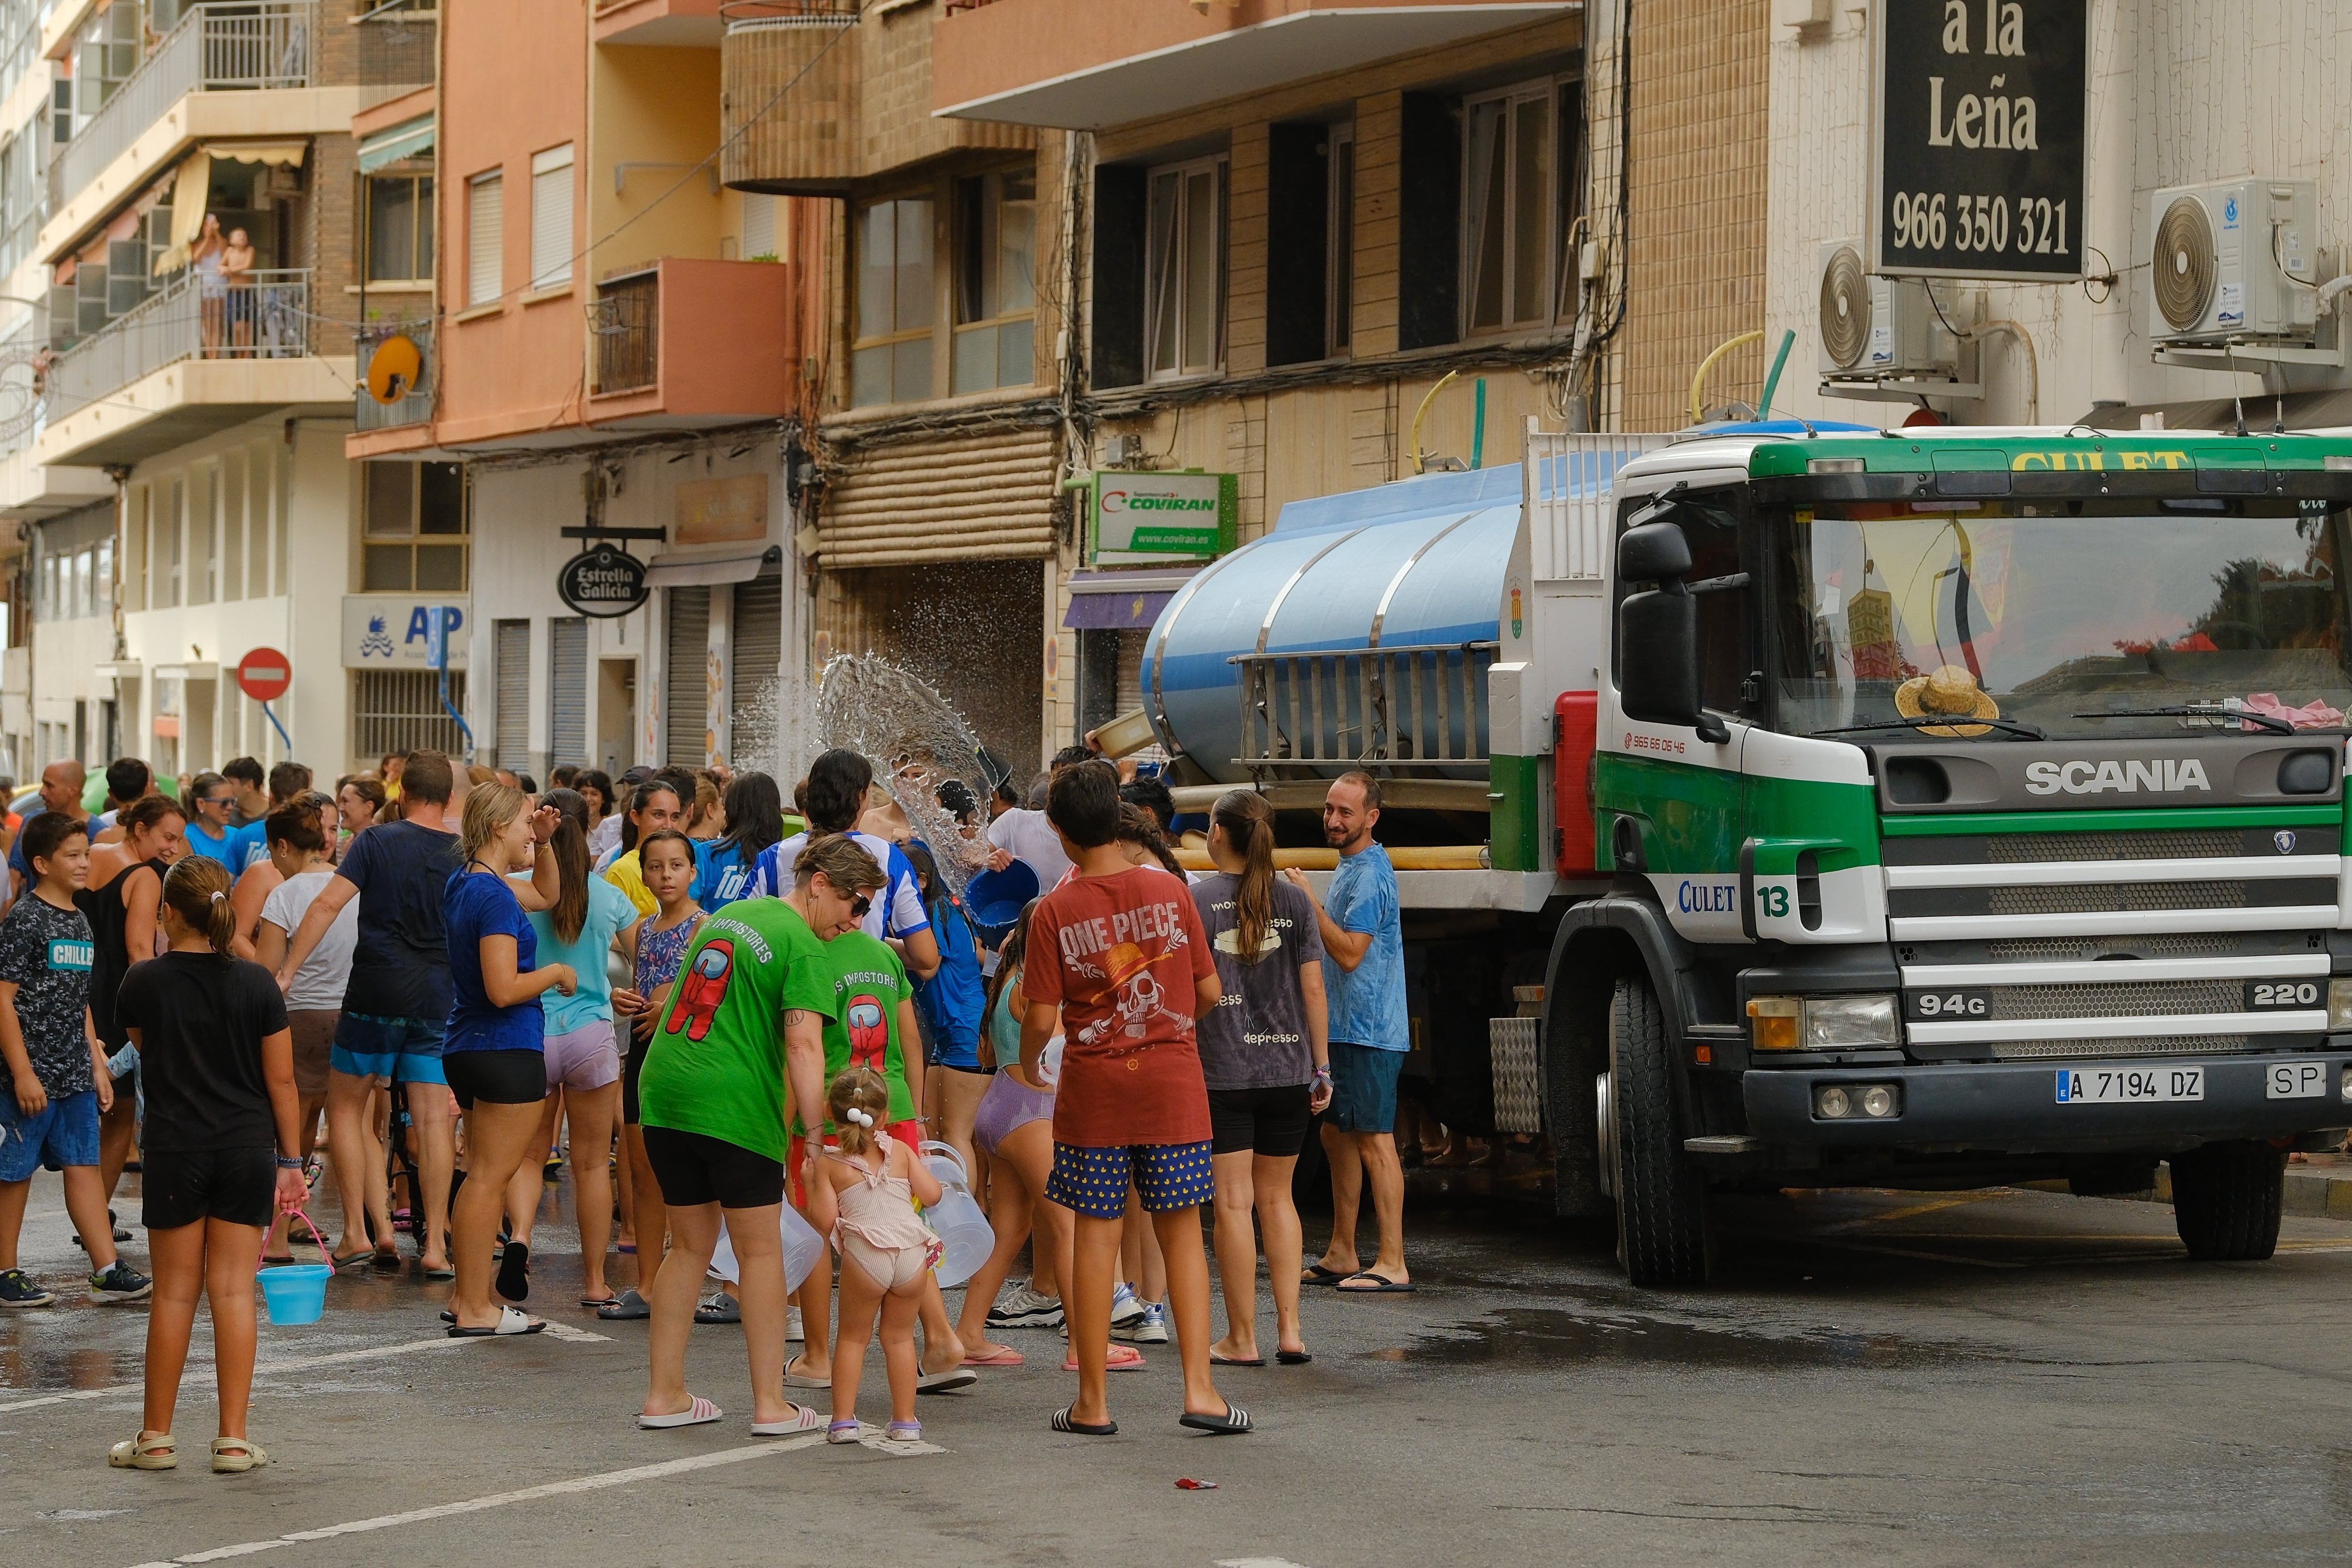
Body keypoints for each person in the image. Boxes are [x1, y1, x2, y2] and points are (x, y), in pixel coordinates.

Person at [1016, 761, 1246, 1437]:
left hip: (1094, 1092)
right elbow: (1207, 994)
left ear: (1060, 832)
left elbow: (1037, 1017)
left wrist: (1031, 1065)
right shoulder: (1171, 892)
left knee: (1096, 1237)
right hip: (1174, 1087)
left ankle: (1092, 1402)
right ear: (1117, 814)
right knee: (1181, 1236)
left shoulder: (1055, 909)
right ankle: (1201, 1391)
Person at [633, 833, 881, 1435]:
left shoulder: (732, 914)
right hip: (733, 1104)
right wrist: (818, 1138)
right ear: (819, 883)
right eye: (856, 904)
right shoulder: (804, 947)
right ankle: (771, 1404)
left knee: (687, 1245)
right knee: (760, 1251)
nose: (855, 922)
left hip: (664, 1089)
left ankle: (665, 1395)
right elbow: (803, 1044)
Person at [108, 855, 302, 1473]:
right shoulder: (257, 984)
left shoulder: (143, 981)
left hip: (175, 1146)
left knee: (173, 1295)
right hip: (246, 1148)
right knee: (233, 1291)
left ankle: (156, 1439)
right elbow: (283, 1082)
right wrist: (291, 1160)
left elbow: (146, 1048)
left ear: (168, 912)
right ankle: (234, 1440)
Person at [278, 751, 475, 1277]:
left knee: (346, 1107)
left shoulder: (375, 841)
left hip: (375, 989)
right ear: (451, 798)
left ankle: (358, 1233)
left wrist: (288, 971)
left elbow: (326, 905)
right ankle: (435, 1245)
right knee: (434, 1118)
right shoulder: (464, 851)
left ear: (401, 793)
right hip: (438, 993)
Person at [785, 880, 972, 1396]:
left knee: (818, 1229)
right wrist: (912, 1113)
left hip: (833, 1109)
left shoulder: (810, 954)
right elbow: (912, 1038)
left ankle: (820, 1354)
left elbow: (801, 1047)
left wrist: (792, 1127)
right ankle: (940, 1338)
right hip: (892, 1106)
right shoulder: (884, 956)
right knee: (903, 1225)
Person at [1194, 790, 1331, 1364]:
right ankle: (1292, 1331)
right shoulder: (1297, 902)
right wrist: (1321, 1068)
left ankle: (1242, 1338)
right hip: (1288, 1071)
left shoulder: (1197, 901)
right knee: (1279, 1200)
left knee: (1233, 1203)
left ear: (1219, 834)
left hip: (1225, 1071)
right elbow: (1314, 988)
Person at [0, 812, 149, 1307]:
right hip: (26, 1075)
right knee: (14, 1172)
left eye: (86, 853)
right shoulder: (25, 919)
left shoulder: (79, 919)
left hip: (73, 1073)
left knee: (84, 1164)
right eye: (73, 855)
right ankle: (5, 1270)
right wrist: (22, 1071)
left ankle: (106, 1268)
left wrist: (95, 1058)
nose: (85, 863)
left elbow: (77, 997)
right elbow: (3, 998)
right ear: (41, 863)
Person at [440, 784, 572, 1335]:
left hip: (469, 1045)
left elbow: (546, 894)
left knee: (479, 1176)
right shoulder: (493, 896)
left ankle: (465, 1294)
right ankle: (475, 1304)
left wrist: (544, 844)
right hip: (503, 1045)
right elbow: (502, 987)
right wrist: (557, 974)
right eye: (524, 822)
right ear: (497, 827)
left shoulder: (470, 882)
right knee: (488, 1180)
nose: (530, 828)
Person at [1284, 772, 1411, 1294]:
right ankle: (1342, 1250)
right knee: (1336, 1134)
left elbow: (1351, 953)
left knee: (1375, 1140)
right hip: (1344, 1028)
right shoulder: (1351, 867)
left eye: (1346, 813)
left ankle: (1393, 1261)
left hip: (1369, 1030)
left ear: (1372, 818)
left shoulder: (1370, 875)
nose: (1334, 820)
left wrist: (1307, 903)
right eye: (1330, 809)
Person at [951, 905, 1085, 1367]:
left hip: (1002, 1106)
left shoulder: (1008, 981)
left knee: (1010, 1228)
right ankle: (1083, 1346)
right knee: (1070, 1226)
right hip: (1032, 1112)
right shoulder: (1036, 986)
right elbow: (1059, 1046)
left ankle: (968, 1332)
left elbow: (985, 1050)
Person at [520, 788, 638, 1310]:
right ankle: (594, 1280)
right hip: (593, 1033)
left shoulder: (523, 890)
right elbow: (647, 956)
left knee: (527, 1156)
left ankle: (520, 1245)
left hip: (532, 1031)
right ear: (591, 830)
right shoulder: (607, 894)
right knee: (591, 1165)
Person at [803, 1066, 945, 1445]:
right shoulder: (900, 1151)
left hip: (867, 1254)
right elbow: (932, 1195)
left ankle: (844, 1421)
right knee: (899, 1339)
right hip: (911, 1254)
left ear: (830, 1115)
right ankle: (905, 1421)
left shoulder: (830, 1164)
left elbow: (824, 1220)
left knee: (852, 1338)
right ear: (885, 1116)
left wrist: (808, 1182)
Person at [251, 804, 363, 1266]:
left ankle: (276, 1239)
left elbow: (264, 974)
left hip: (298, 1021)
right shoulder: (352, 887)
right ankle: (357, 1229)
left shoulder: (285, 894)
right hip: (354, 1015)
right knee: (345, 1124)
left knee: (290, 1134)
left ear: (282, 845)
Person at [601, 828, 704, 1320]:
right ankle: (646, 1283)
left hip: (689, 1057)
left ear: (693, 871)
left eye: (676, 865)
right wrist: (624, 999)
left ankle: (711, 1276)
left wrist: (671, 1008)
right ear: (643, 874)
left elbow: (718, 999)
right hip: (645, 1054)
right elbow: (640, 990)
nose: (666, 875)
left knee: (698, 1172)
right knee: (640, 1168)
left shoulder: (709, 928)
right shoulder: (643, 930)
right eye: (656, 866)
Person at [81, 794, 187, 1222]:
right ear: (140, 829)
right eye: (167, 837)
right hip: (113, 1000)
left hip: (73, 987)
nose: (173, 849)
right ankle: (95, 1216)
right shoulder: (144, 877)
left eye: (178, 840)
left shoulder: (92, 854)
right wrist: (152, 1011)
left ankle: (88, 1210)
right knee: (118, 1117)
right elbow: (140, 951)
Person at [747, 750, 939, 981]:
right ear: (863, 796)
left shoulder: (775, 856)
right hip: (861, 999)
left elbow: (745, 930)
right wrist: (874, 941)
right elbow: (926, 957)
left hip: (788, 987)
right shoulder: (890, 858)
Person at [904, 842, 986, 1186]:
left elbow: (928, 966)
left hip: (966, 1027)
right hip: (946, 1032)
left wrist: (879, 943)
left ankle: (968, 1217)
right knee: (935, 1132)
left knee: (956, 1134)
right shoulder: (931, 912)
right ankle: (961, 1211)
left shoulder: (936, 909)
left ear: (921, 881)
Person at [984, 746, 1096, 887]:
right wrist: (986, 860)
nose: (1060, 788)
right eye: (1056, 779)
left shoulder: (1097, 842)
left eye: (1071, 782)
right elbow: (969, 855)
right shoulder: (1015, 820)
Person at [600, 776, 685, 918]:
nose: (668, 825)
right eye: (659, 815)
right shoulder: (621, 871)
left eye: (675, 817)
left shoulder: (684, 865)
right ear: (636, 817)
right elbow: (611, 933)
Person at [693, 772, 779, 910]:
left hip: (709, 931)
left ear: (731, 808)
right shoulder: (781, 858)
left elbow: (688, 915)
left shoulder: (704, 853)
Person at [9, 760, 90, 901]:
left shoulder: (99, 832)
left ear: (73, 790)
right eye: (73, 855)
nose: (42, 792)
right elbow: (14, 875)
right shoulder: (33, 822)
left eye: (50, 786)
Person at [182, 773, 258, 874]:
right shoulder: (185, 838)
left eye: (233, 801)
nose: (230, 807)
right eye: (224, 803)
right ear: (201, 804)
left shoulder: (237, 835)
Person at [192, 214, 227, 357]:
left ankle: (216, 354)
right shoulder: (198, 244)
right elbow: (197, 258)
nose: (210, 228)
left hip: (219, 286)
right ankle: (209, 353)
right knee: (206, 322)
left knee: (217, 321)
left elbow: (226, 253)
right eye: (207, 225)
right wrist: (208, 238)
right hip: (203, 287)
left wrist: (217, 233)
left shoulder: (222, 241)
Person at [221, 759, 270, 827]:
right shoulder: (227, 817)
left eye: (230, 783)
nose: (225, 789)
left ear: (249, 786)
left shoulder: (277, 816)